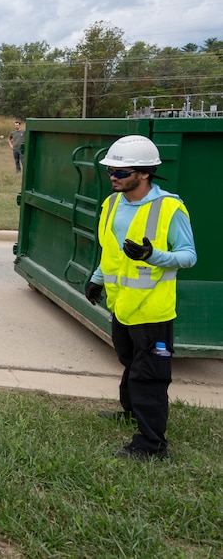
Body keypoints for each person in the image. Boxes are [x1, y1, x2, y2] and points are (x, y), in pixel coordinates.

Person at [84, 135, 197, 461]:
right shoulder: (112, 203)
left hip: (153, 310)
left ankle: (152, 444)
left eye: (121, 171)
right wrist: (97, 279)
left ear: (145, 172)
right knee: (130, 363)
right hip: (122, 306)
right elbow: (111, 250)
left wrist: (153, 255)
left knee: (150, 376)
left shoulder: (170, 208)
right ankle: (131, 411)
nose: (113, 176)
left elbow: (189, 256)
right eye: (111, 171)